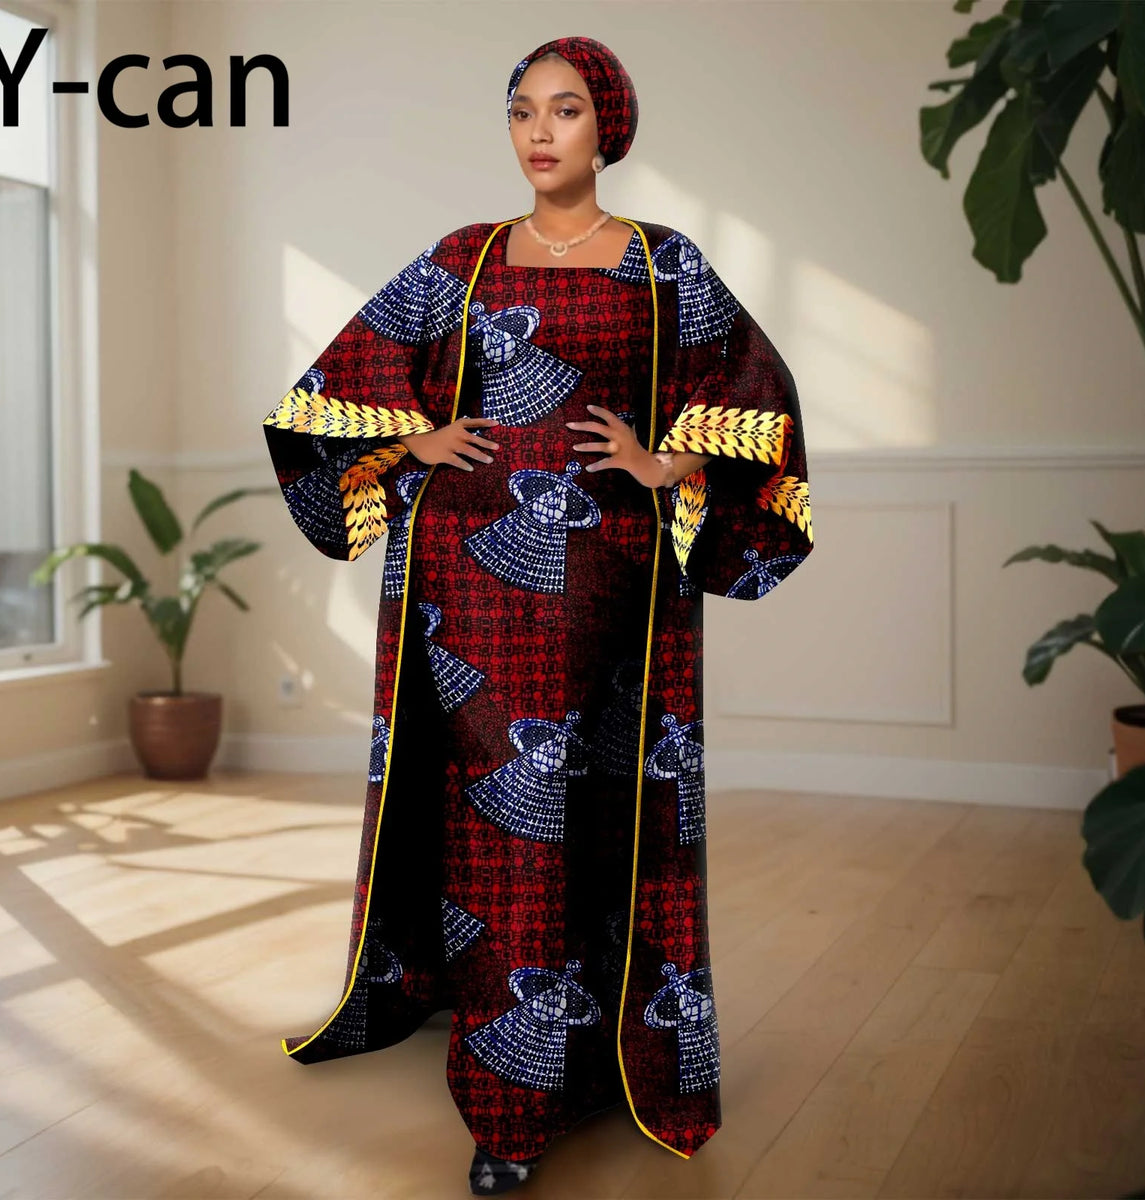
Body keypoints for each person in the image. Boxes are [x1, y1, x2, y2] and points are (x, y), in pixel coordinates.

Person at [261, 34, 814, 1196]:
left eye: (565, 110)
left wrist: (667, 468)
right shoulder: (460, 261)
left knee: (594, 812)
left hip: (615, 587)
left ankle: (605, 1052)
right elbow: (332, 388)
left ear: (606, 127)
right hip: (466, 579)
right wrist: (412, 441)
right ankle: (508, 1105)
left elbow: (757, 396)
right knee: (498, 829)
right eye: (522, 111)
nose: (539, 132)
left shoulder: (669, 267)